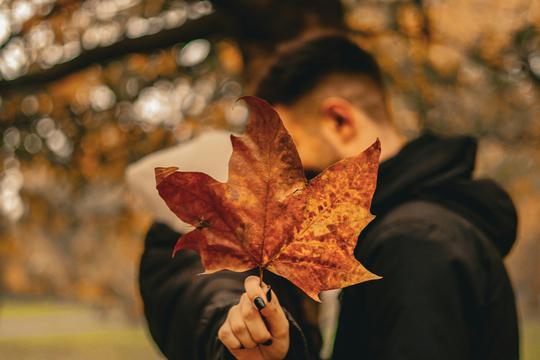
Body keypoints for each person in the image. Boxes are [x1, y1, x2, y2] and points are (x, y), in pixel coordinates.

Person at [138, 34, 519, 359]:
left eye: (292, 154)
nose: (290, 183)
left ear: (340, 120)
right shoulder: (418, 226)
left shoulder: (412, 242)